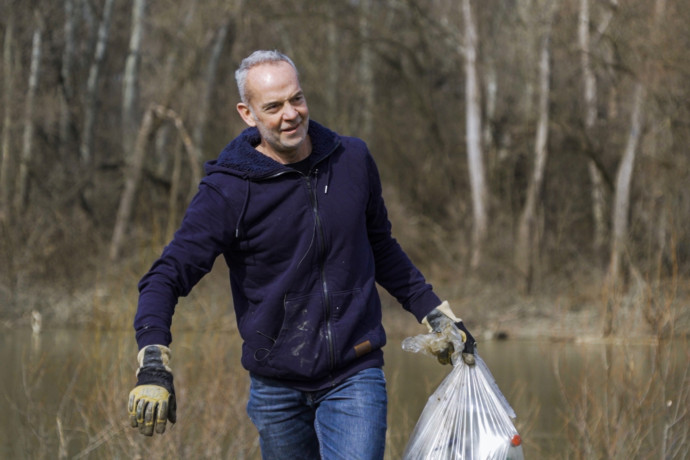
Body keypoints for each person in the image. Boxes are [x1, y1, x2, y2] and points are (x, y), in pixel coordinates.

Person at [127, 50, 475, 459]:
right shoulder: (229, 190)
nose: (290, 114)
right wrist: (153, 357)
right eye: (273, 107)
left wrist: (435, 312)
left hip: (354, 371)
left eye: (297, 99)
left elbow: (381, 246)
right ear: (247, 113)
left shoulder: (352, 160)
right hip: (275, 386)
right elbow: (165, 276)